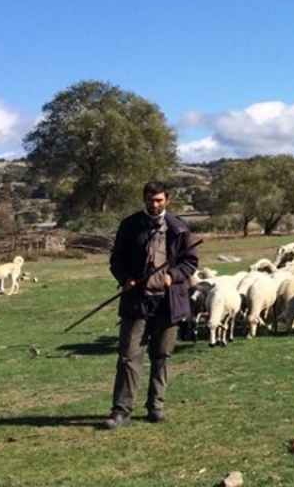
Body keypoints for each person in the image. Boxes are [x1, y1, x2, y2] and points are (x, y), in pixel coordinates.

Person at [102, 180, 199, 430]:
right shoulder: (130, 225)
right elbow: (117, 260)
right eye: (150, 199)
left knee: (161, 355)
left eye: (159, 200)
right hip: (137, 300)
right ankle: (121, 410)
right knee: (129, 355)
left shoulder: (178, 228)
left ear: (167, 200)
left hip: (169, 302)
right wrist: (125, 279)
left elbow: (190, 261)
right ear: (144, 199)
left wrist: (172, 276)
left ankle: (156, 406)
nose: (154, 204)